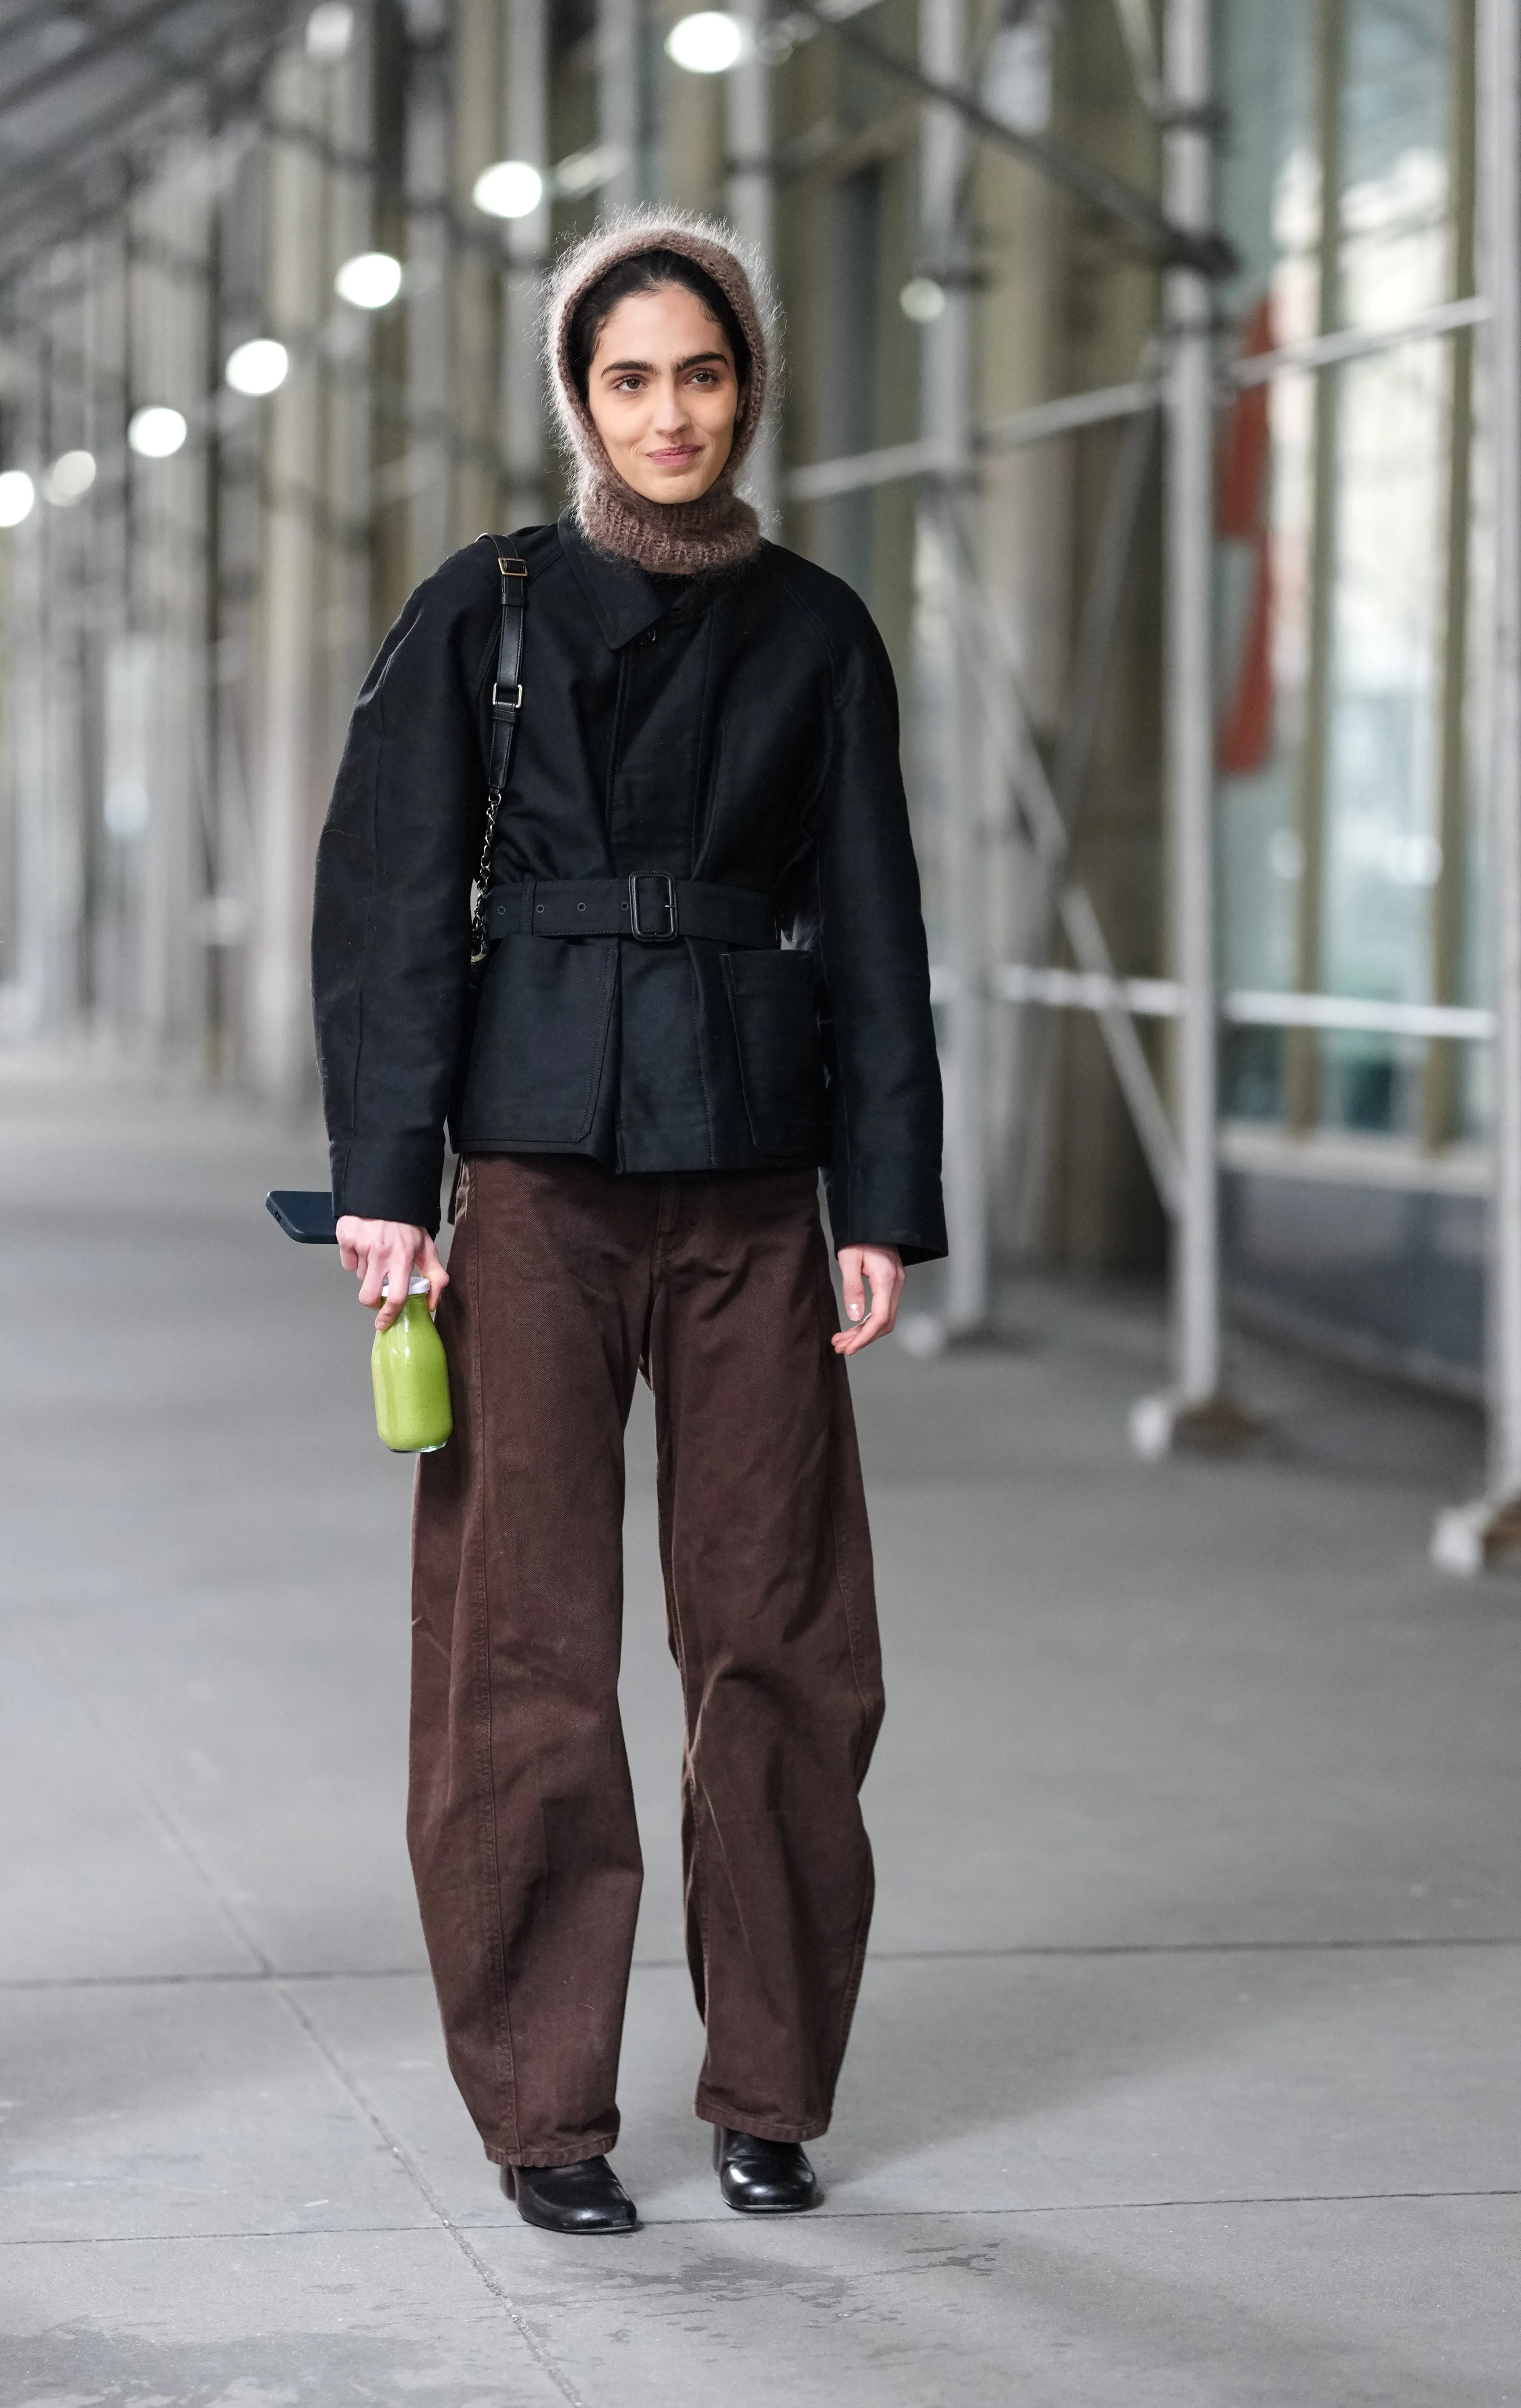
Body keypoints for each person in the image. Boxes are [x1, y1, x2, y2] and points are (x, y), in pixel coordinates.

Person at [311, 209, 946, 2236]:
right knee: (525, 1659)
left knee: (781, 1646)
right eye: (629, 378)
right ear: (579, 401)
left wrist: (888, 1201)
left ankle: (770, 2087)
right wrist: (384, 1191)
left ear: (749, 385)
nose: (670, 412)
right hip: (541, 1192)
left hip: (761, 1185)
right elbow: (393, 901)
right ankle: (547, 2112)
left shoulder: (820, 629)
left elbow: (877, 927)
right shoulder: (488, 610)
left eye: (702, 372)